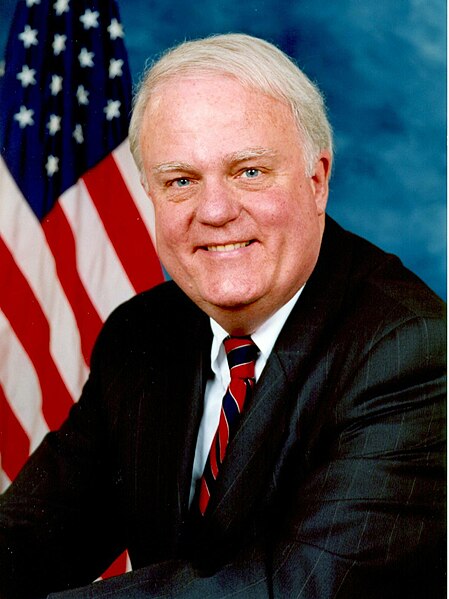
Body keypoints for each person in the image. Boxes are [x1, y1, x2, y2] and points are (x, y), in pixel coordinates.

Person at [0, 33, 445, 599]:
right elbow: (33, 535)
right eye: (181, 181)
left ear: (317, 180)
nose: (214, 211)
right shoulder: (143, 333)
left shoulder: (414, 352)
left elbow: (294, 589)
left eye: (249, 172)